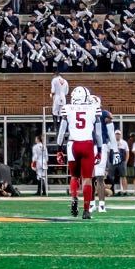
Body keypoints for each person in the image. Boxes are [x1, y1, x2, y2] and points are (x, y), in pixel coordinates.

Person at [58, 85, 104, 220]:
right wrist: (99, 150)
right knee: (87, 179)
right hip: (88, 144)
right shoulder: (93, 108)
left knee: (74, 176)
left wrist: (59, 149)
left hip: (73, 144)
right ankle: (86, 210)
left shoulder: (67, 108)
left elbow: (62, 131)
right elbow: (99, 133)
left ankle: (74, 197)